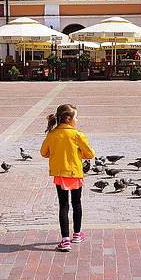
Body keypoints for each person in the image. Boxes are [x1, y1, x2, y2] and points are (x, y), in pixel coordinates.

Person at [40, 104, 95, 252]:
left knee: (63, 205)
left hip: (60, 173)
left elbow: (44, 153)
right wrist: (79, 154)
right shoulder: (77, 135)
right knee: (76, 203)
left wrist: (57, 153)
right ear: (68, 119)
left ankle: (65, 240)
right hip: (75, 173)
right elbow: (90, 154)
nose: (77, 120)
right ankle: (76, 234)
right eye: (76, 117)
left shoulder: (52, 135)